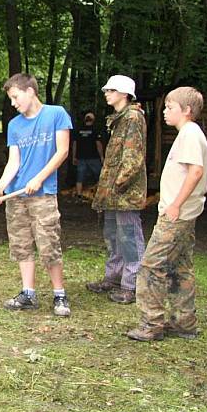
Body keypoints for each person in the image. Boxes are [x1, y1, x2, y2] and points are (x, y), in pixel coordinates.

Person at [127, 87, 207, 341]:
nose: (164, 112)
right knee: (181, 266)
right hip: (183, 214)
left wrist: (175, 205)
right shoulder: (188, 134)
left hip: (176, 215)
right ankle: (185, 323)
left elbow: (195, 172)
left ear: (186, 110)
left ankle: (152, 324)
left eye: (170, 107)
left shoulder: (190, 135)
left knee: (151, 266)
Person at [0, 73, 72, 317]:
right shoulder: (15, 125)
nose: (13, 103)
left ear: (30, 91)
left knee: (49, 244)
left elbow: (63, 151)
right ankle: (28, 293)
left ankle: (59, 295)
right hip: (16, 196)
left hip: (43, 194)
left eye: (15, 97)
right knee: (21, 245)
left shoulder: (56, 114)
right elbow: (13, 162)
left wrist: (39, 178)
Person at [87, 76, 147, 305]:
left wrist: (119, 185)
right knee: (112, 235)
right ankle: (113, 278)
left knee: (129, 237)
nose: (106, 93)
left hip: (124, 193)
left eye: (110, 90)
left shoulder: (132, 117)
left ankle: (132, 286)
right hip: (113, 192)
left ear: (124, 93)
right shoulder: (119, 119)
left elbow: (132, 157)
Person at [71, 111, 104, 197]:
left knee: (80, 177)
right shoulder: (95, 130)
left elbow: (75, 144)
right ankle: (101, 194)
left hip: (81, 157)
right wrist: (101, 156)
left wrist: (74, 156)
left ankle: (79, 194)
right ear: (93, 120)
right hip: (93, 157)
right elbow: (98, 144)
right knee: (100, 175)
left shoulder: (78, 130)